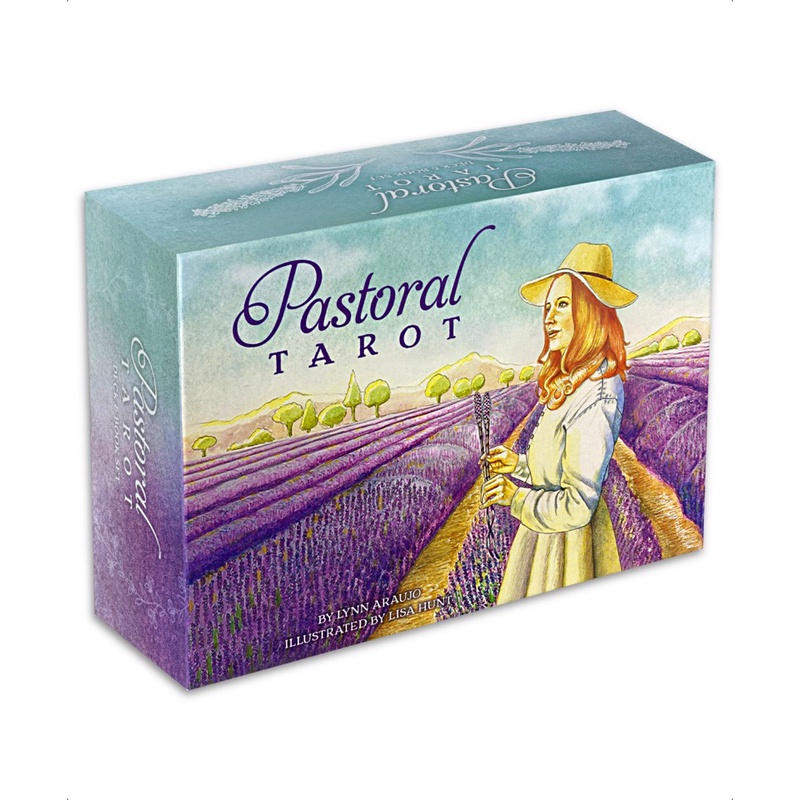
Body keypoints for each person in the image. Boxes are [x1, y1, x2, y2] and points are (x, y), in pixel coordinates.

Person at [481, 242, 637, 600]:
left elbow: (578, 504)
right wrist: (518, 465)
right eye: (548, 307)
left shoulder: (597, 392)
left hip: (566, 552)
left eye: (562, 304)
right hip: (547, 536)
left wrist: (515, 498)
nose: (548, 317)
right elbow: (560, 468)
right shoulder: (575, 381)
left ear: (590, 311)